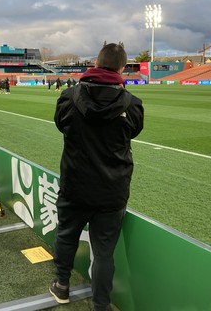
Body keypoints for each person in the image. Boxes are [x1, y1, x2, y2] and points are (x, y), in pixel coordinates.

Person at [49, 43, 144, 311]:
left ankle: (62, 285)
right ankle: (100, 305)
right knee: (104, 252)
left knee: (67, 236)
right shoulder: (133, 104)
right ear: (122, 68)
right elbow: (132, 133)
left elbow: (61, 125)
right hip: (112, 190)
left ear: (97, 63)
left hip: (75, 185)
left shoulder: (69, 97)